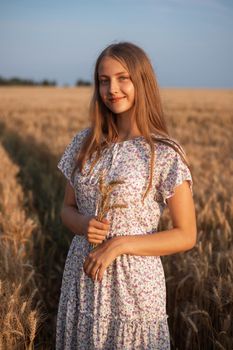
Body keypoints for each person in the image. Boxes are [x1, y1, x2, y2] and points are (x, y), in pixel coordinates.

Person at [56, 41, 197, 349]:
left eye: (123, 78)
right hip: (82, 278)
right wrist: (82, 224)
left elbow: (186, 234)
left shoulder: (164, 152)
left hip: (134, 288)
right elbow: (66, 208)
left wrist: (120, 244)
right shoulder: (85, 143)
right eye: (104, 80)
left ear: (141, 81)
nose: (112, 89)